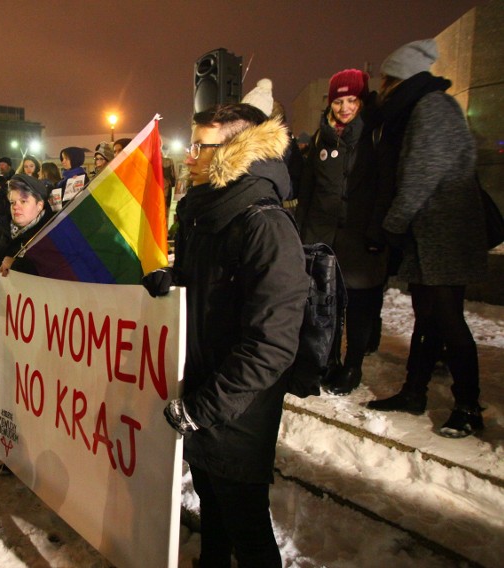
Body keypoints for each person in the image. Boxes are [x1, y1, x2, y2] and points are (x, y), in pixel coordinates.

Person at [142, 103, 308, 568]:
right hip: (203, 395)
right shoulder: (208, 211)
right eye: (190, 144)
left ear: (236, 151)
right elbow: (207, 291)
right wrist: (170, 284)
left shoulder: (265, 225)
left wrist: (204, 408)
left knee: (248, 530)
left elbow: (271, 344)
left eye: (200, 146)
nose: (189, 156)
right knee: (214, 510)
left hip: (236, 411)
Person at [365, 39, 488, 438]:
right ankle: (413, 392)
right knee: (428, 315)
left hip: (444, 232)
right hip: (429, 231)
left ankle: (468, 406)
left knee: (450, 319)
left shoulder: (432, 107)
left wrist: (394, 222)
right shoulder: (417, 107)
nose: (382, 86)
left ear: (400, 78)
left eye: (386, 78)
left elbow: (423, 172)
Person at [295, 69, 385, 395]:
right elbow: (308, 189)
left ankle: (353, 365)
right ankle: (327, 360)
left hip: (361, 237)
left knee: (359, 304)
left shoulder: (375, 133)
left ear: (362, 100)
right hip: (322, 235)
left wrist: (377, 233)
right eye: (338, 101)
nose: (344, 108)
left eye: (351, 100)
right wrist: (303, 234)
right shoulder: (321, 136)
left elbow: (384, 187)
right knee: (325, 304)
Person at [0, 174, 54, 301]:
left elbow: (55, 278)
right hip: (6, 314)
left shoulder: (51, 235)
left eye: (23, 201)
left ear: (39, 205)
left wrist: (17, 266)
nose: (15, 206)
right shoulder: (7, 233)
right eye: (12, 202)